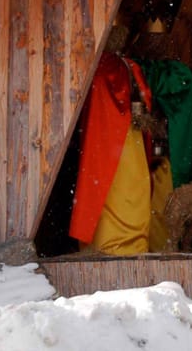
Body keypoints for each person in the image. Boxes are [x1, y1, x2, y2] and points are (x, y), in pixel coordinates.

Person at [69, 19, 171, 255]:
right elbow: (143, 100)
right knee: (130, 191)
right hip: (128, 140)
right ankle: (128, 244)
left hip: (102, 141)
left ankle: (107, 243)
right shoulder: (127, 66)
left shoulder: (94, 67)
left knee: (107, 192)